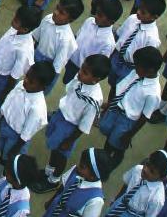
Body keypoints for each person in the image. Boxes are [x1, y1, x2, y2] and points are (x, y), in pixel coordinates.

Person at [33, 54, 110, 192]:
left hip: (70, 128)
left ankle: (54, 180)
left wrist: (69, 140)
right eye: (82, 68)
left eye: (85, 72)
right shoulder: (79, 79)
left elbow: (84, 125)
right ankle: (49, 171)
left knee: (61, 154)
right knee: (54, 148)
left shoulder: (93, 100)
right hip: (61, 116)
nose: (80, 72)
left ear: (96, 79)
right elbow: (69, 93)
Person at [0, 62, 54, 186]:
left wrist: (16, 148)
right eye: (27, 76)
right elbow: (10, 101)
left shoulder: (37, 108)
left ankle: (2, 181)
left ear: (43, 87)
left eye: (31, 81)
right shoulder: (21, 85)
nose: (26, 81)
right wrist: (2, 117)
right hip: (6, 126)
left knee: (10, 160)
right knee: (3, 153)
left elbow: (27, 132)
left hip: (17, 138)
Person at [99, 45, 163, 169]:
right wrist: (110, 105)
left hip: (127, 121)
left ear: (149, 70)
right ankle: (104, 159)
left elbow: (144, 117)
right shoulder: (136, 72)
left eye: (137, 65)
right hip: (116, 110)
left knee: (118, 146)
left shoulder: (153, 93)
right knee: (109, 139)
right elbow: (123, 88)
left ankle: (109, 167)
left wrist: (129, 135)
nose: (135, 67)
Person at [0, 5, 41, 134]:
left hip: (4, 80)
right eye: (15, 16)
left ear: (25, 29)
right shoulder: (14, 29)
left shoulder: (24, 49)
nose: (13, 19)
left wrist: (5, 93)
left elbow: (14, 76)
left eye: (16, 20)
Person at [32, 0, 84, 94]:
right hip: (35, 56)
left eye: (61, 13)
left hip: (48, 68)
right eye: (57, 8)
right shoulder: (48, 19)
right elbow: (35, 37)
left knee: (36, 91)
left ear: (70, 20)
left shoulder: (65, 40)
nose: (55, 12)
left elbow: (56, 68)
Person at [41, 147, 111, 217]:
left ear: (93, 175)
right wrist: (51, 201)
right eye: (79, 163)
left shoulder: (96, 200)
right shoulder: (76, 171)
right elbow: (63, 187)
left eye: (82, 167)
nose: (77, 167)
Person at [105, 150, 167, 217]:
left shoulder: (158, 198)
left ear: (162, 178)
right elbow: (126, 185)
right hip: (120, 203)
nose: (145, 170)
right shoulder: (137, 169)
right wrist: (116, 199)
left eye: (152, 171)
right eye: (147, 164)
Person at [0, 153, 38, 217]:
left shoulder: (21, 209)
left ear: (17, 182)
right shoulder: (7, 181)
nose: (5, 172)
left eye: (7, 172)